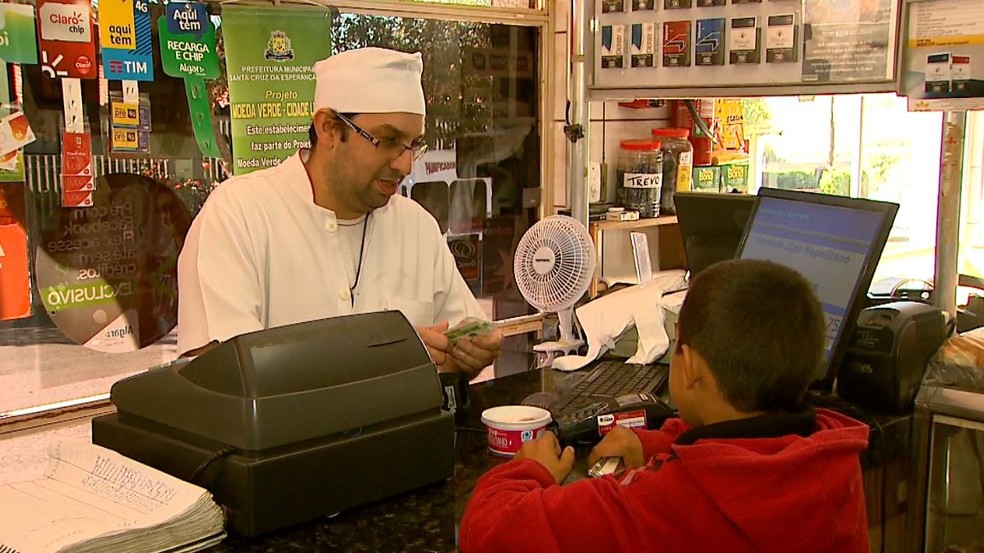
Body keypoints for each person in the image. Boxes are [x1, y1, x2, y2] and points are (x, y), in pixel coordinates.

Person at [459, 259, 870, 553]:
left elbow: (488, 532)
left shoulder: (661, 505)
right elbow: (745, 454)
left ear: (688, 366)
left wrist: (528, 471)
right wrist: (656, 447)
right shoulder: (833, 461)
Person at [177, 47, 502, 378]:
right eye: (387, 140)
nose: (404, 164)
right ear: (329, 128)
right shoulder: (239, 214)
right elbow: (222, 373)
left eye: (413, 145)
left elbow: (458, 339)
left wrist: (468, 356)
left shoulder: (416, 227)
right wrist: (382, 354)